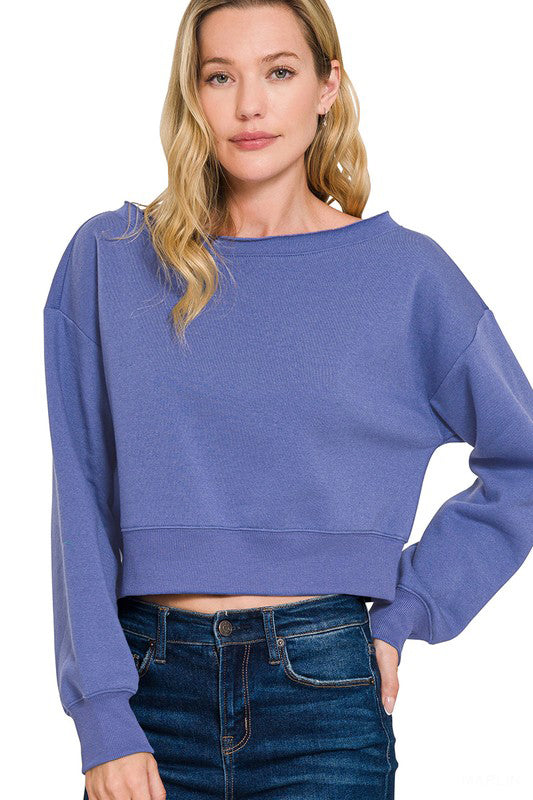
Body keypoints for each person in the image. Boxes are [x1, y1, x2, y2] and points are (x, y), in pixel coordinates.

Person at [42, 1, 533, 799]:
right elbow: (80, 492)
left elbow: (523, 458)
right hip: (146, 694)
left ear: (326, 86)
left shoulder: (405, 275)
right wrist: (100, 713)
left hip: (323, 693)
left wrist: (408, 608)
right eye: (219, 77)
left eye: (278, 72)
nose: (249, 105)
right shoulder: (111, 258)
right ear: (191, 93)